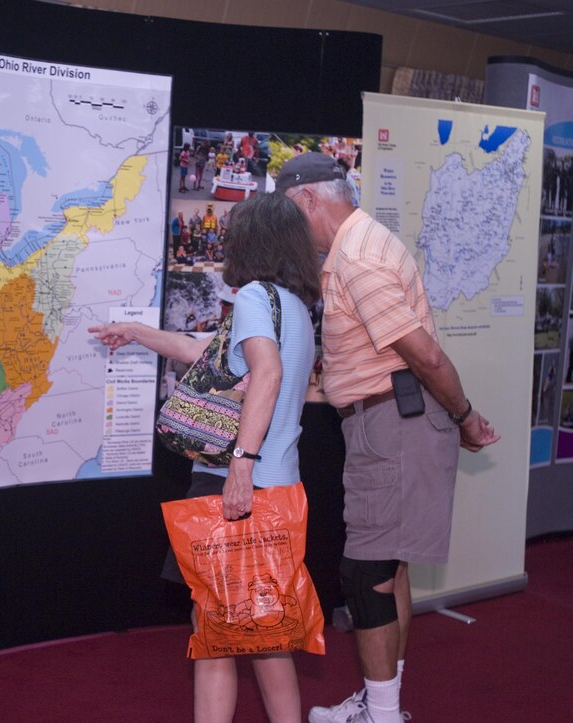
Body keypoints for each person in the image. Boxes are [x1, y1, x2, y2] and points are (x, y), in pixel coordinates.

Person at [276, 153, 500, 723]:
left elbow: (423, 352)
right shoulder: (359, 246)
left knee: (366, 573)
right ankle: (383, 704)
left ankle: (381, 714)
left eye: (288, 214)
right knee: (389, 568)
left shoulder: (356, 257)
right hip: (386, 422)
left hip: (395, 426)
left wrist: (466, 416)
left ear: (308, 201)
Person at [90, 190, 322, 723]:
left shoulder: (254, 299)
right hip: (280, 488)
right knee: (265, 632)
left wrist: (240, 466)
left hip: (234, 487)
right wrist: (136, 333)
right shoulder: (293, 308)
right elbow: (206, 353)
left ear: (250, 240)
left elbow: (266, 372)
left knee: (213, 632)